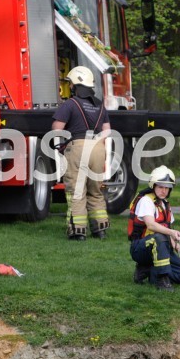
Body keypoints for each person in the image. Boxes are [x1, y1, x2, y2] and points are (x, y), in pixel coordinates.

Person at [52, 66, 110, 241]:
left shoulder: (71, 104)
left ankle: (78, 231)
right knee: (95, 190)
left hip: (78, 147)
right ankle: (100, 229)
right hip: (99, 148)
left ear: (75, 85)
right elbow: (107, 131)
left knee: (77, 191)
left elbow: (57, 129)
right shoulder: (100, 105)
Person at [128, 166, 180, 291]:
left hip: (161, 247)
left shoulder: (165, 204)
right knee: (159, 238)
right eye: (161, 187)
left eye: (167, 188)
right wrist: (171, 233)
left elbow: (168, 226)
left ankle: (149, 271)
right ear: (153, 186)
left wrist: (173, 241)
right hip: (140, 248)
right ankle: (162, 279)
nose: (164, 190)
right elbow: (151, 225)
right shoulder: (146, 201)